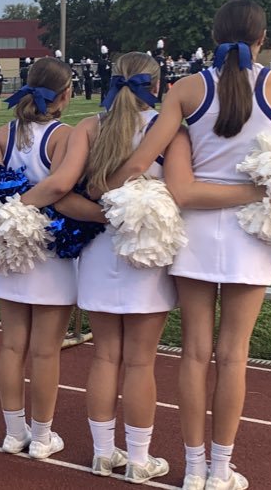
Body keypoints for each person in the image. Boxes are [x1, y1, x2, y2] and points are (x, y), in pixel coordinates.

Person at [113, 0, 271, 489]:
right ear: (262, 38)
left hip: (192, 230)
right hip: (252, 233)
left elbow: (141, 160)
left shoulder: (187, 89)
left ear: (214, 37)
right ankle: (219, 470)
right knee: (233, 356)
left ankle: (192, 469)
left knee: (194, 354)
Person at [70, 51, 177, 484]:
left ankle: (102, 454)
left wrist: (104, 211)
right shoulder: (168, 129)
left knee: (104, 356)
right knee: (140, 363)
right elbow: (182, 192)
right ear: (157, 84)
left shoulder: (89, 126)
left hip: (98, 252)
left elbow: (65, 190)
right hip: (145, 255)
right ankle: (138, 459)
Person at [0, 57, 75, 461]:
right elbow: (62, 188)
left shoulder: (2, 134)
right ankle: (41, 437)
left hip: (11, 248)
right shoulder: (63, 135)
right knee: (45, 351)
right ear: (64, 95)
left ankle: (13, 432)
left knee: (11, 346)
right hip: (50, 251)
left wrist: (12, 210)